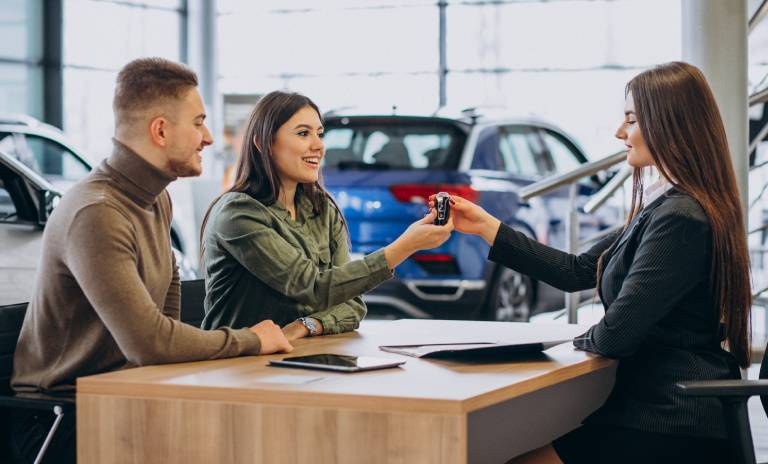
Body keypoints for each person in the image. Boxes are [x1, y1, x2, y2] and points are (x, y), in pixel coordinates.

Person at [438, 62, 751, 464]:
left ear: (669, 124)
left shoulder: (680, 217)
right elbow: (577, 271)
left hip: (671, 420)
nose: (619, 132)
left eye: (632, 120)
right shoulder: (665, 206)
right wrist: (487, 227)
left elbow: (616, 334)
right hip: (654, 409)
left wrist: (566, 343)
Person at [9, 58, 293, 464]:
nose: (209, 137)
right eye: (198, 123)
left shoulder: (154, 198)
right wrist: (251, 339)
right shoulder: (97, 212)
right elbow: (151, 343)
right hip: (63, 421)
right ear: (160, 130)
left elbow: (167, 312)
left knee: (259, 433)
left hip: (129, 395)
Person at [200, 91, 452, 339]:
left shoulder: (322, 208)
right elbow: (314, 288)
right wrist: (406, 246)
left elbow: (352, 305)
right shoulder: (238, 213)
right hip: (238, 366)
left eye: (320, 134)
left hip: (301, 359)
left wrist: (306, 325)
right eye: (303, 133)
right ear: (263, 142)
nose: (319, 145)